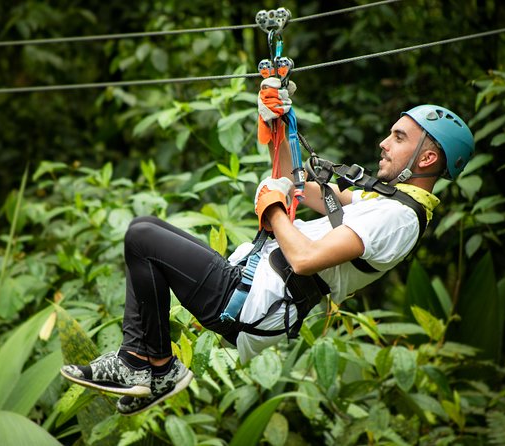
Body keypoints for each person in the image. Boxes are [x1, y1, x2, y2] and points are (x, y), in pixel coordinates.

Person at [60, 77, 475, 416]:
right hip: (247, 285)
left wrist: (274, 209)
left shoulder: (398, 220)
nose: (384, 142)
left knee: (141, 236)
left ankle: (141, 363)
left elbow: (306, 258)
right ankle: (157, 367)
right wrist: (278, 121)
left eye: (399, 137)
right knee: (147, 229)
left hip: (251, 304)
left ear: (425, 159)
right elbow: (294, 186)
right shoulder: (385, 202)